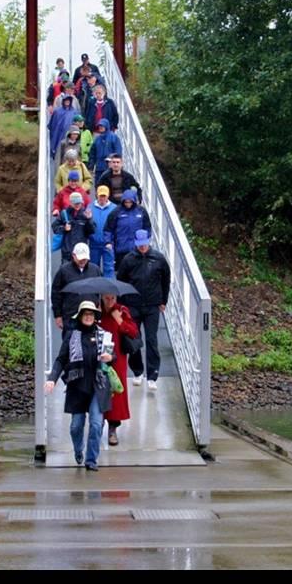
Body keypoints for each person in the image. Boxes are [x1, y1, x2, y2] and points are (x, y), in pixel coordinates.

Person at [45, 300, 113, 471]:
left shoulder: (103, 335)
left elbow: (113, 357)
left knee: (97, 424)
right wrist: (52, 378)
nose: (89, 317)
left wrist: (110, 358)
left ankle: (91, 460)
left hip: (98, 386)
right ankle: (78, 450)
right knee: (76, 426)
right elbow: (61, 359)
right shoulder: (72, 335)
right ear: (80, 316)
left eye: (91, 314)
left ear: (94, 317)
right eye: (86, 314)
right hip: (77, 387)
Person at [117, 230, 171, 390]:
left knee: (152, 340)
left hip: (152, 305)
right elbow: (121, 282)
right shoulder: (128, 260)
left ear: (149, 242)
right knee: (134, 339)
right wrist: (121, 305)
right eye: (139, 245)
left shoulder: (159, 259)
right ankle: (137, 371)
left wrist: (163, 301)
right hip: (133, 305)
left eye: (144, 244)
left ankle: (152, 375)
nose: (142, 247)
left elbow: (166, 280)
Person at [100, 292, 138, 446]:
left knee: (116, 389)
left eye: (113, 298)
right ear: (102, 297)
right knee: (99, 388)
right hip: (99, 355)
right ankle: (98, 423)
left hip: (118, 357)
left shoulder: (121, 310)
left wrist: (119, 320)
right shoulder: (96, 310)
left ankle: (113, 429)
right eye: (107, 298)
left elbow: (133, 331)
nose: (110, 302)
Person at [51, 243, 102, 336]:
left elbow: (100, 289)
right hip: (70, 316)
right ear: (74, 256)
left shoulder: (95, 270)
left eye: (85, 258)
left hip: (90, 316)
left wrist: (99, 306)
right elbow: (56, 294)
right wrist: (58, 315)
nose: (83, 261)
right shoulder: (64, 270)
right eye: (80, 258)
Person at [104, 188, 151, 269]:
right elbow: (108, 228)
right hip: (121, 248)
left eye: (130, 202)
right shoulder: (116, 212)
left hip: (138, 248)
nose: (128, 204)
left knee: (137, 271)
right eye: (126, 202)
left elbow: (147, 227)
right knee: (122, 272)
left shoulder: (141, 211)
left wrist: (146, 240)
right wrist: (108, 242)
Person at [52, 192, 95, 263]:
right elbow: (54, 227)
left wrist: (89, 219)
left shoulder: (86, 214)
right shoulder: (64, 213)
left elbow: (92, 230)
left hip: (81, 253)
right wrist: (64, 228)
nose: (78, 205)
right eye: (76, 203)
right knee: (66, 272)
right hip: (67, 252)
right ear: (71, 203)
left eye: (79, 203)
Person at [89, 185, 118, 278]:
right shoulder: (89, 207)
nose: (102, 198)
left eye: (104, 196)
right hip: (94, 243)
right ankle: (94, 290)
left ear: (108, 196)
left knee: (109, 268)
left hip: (108, 244)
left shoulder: (115, 208)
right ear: (97, 195)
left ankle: (108, 291)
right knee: (93, 268)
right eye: (100, 195)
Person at [87, 118, 122, 185]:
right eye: (99, 126)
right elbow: (92, 153)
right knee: (98, 186)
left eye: (102, 126)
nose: (100, 128)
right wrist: (91, 166)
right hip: (99, 168)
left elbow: (118, 152)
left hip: (111, 168)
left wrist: (115, 164)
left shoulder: (114, 137)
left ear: (106, 126)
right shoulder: (97, 139)